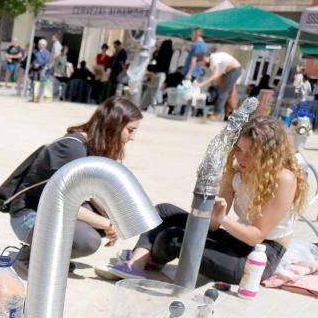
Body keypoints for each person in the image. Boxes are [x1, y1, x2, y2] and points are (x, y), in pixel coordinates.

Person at [103, 116, 305, 284]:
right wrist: (210, 208)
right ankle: (138, 263)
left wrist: (223, 219)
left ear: (268, 155)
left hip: (258, 257)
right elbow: (213, 226)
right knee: (164, 211)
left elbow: (256, 236)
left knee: (175, 238)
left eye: (251, 154)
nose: (242, 159)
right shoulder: (236, 171)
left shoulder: (283, 179)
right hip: (236, 240)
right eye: (238, 150)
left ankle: (149, 257)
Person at [7, 97, 143, 262]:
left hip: (50, 211)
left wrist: (113, 220)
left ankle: (48, 256)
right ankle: (35, 258)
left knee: (108, 220)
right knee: (88, 240)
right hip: (29, 216)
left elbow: (93, 193)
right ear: (113, 125)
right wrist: (108, 224)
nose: (132, 137)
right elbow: (62, 201)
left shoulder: (94, 147)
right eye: (130, 130)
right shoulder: (73, 148)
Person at [196, 51, 242, 121]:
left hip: (234, 70)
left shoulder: (214, 58)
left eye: (201, 63)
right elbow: (216, 76)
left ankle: (216, 115)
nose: (202, 65)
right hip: (227, 72)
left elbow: (215, 74)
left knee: (223, 93)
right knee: (223, 92)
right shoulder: (212, 62)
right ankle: (230, 114)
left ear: (205, 58)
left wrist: (202, 84)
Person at [29, 38, 50, 103]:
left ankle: (41, 98)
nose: (38, 45)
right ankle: (33, 97)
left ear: (44, 45)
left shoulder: (47, 52)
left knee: (43, 83)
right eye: (38, 44)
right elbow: (33, 59)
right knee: (34, 83)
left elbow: (46, 60)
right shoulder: (36, 51)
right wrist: (34, 64)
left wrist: (39, 64)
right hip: (35, 70)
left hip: (43, 70)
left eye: (40, 44)